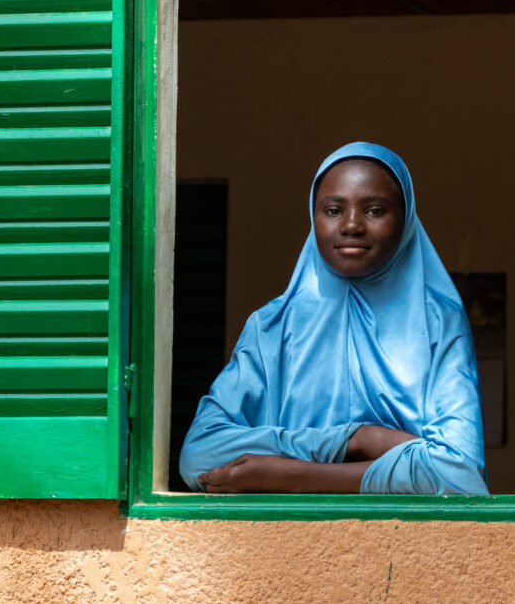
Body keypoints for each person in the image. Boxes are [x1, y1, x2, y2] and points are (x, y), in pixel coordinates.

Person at [179, 142, 488, 496]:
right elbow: (198, 455)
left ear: (406, 221)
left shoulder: (438, 323)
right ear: (313, 218)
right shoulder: (273, 327)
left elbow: (460, 473)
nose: (352, 225)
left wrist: (288, 476)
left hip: (409, 542)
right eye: (333, 210)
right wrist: (358, 440)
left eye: (374, 210)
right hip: (285, 546)